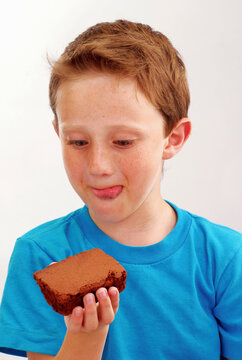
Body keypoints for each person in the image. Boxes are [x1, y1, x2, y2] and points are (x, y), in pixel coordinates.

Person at [0, 19, 241, 360]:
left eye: (123, 141)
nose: (98, 165)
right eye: (79, 141)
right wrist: (88, 334)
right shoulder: (41, 256)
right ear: (59, 135)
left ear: (173, 138)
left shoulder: (226, 258)